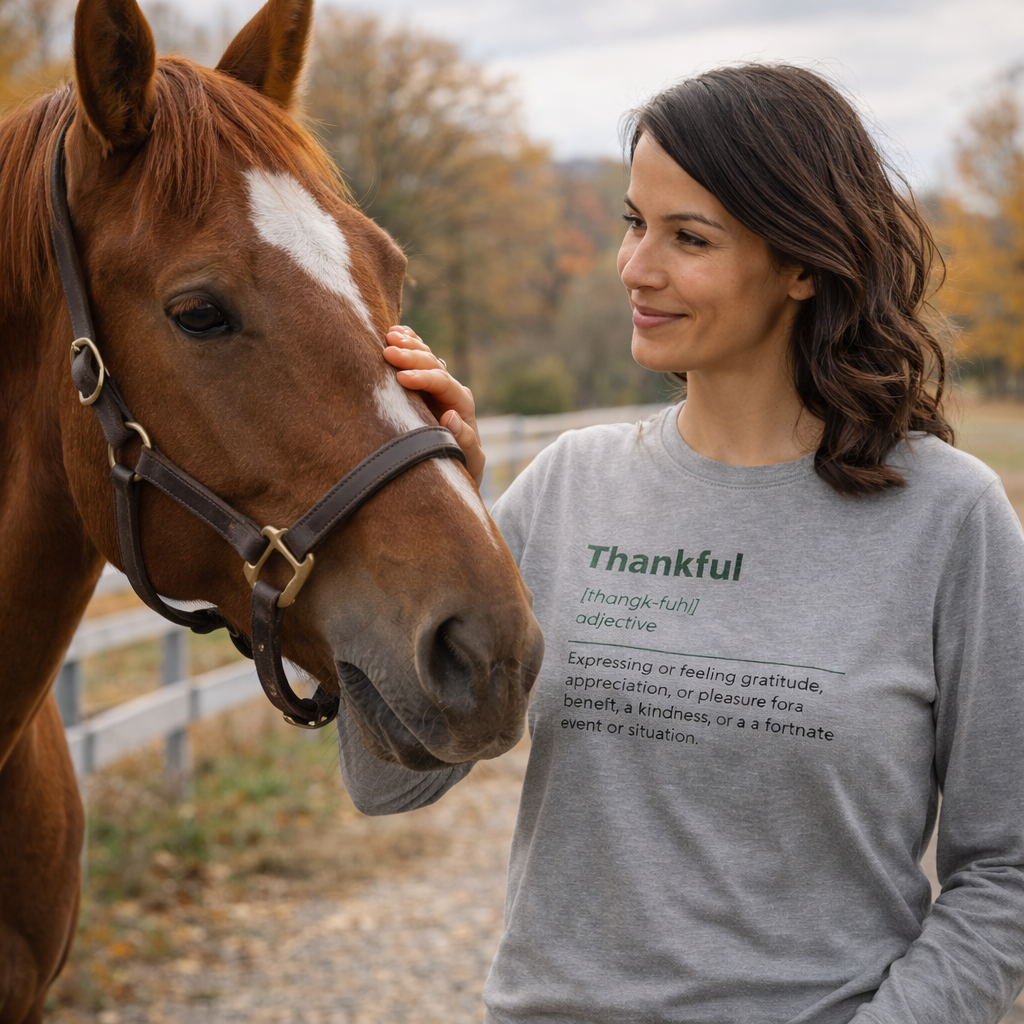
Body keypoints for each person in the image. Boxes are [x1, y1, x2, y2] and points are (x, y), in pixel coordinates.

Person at [335, 64, 1024, 1024]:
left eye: (687, 238)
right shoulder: (571, 488)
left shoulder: (949, 518)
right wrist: (418, 520)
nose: (635, 268)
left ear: (803, 264)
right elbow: (386, 784)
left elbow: (1007, 873)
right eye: (632, 222)